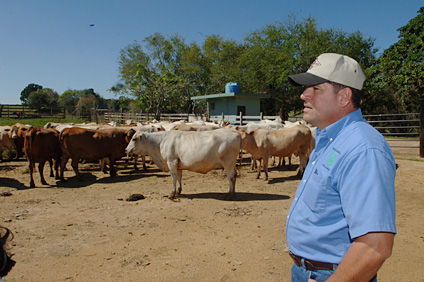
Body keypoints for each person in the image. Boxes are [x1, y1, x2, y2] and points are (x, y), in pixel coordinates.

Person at [285, 53, 396, 282]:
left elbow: (375, 246)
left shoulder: (363, 149)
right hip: (309, 271)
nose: (303, 94)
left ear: (344, 96)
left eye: (315, 88)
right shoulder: (330, 139)